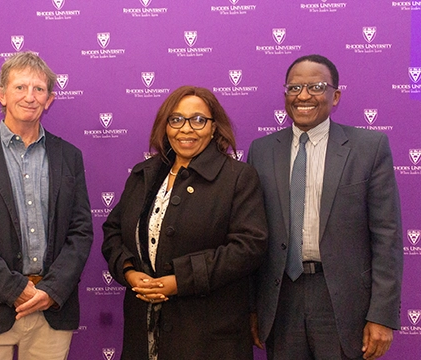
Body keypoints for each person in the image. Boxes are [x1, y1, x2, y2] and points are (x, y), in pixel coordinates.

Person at [248, 54, 403, 360]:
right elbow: (252, 236)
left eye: (316, 86)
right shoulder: (261, 151)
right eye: (294, 88)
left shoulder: (368, 149)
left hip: (343, 303)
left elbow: (387, 236)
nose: (303, 96)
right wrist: (252, 308)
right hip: (281, 300)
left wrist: (382, 315)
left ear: (336, 96)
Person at [0, 51, 93, 360]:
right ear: (1, 95)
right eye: (20, 87)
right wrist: (15, 289)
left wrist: (51, 290)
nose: (30, 96)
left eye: (39, 89)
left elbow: (80, 232)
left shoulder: (69, 156)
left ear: (49, 99)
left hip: (52, 309)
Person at [102, 86, 268, 360]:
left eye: (198, 120)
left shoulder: (238, 177)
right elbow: (113, 231)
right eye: (176, 119)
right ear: (165, 126)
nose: (186, 129)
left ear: (214, 128)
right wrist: (129, 271)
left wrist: (180, 280)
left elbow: (249, 247)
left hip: (208, 336)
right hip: (142, 330)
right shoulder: (143, 174)